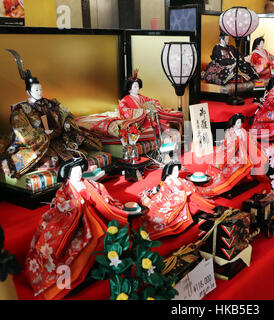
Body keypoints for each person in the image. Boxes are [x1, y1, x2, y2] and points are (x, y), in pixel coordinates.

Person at [24, 156, 131, 300]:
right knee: (92, 239)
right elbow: (60, 205)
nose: (79, 173)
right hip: (78, 223)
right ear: (68, 174)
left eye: (80, 170)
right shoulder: (64, 191)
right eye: (75, 171)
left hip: (96, 215)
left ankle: (105, 261)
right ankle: (82, 270)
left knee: (108, 233)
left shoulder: (89, 184)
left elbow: (101, 193)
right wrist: (76, 205)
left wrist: (103, 200)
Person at [1, 50, 102, 179]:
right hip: (38, 145)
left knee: (79, 152)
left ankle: (81, 174)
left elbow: (66, 114)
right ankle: (73, 175)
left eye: (41, 89)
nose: (39, 92)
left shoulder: (49, 103)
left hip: (57, 141)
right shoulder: (20, 110)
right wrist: (43, 134)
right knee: (52, 160)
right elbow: (24, 133)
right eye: (36, 90)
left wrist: (66, 124)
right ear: (28, 91)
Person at [75, 70, 183, 144]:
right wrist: (142, 112)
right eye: (134, 86)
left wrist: (154, 108)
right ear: (129, 88)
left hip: (146, 119)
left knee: (167, 125)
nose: (137, 88)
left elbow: (154, 102)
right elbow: (124, 110)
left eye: (137, 86)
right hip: (137, 122)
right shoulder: (125, 100)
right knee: (155, 129)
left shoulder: (142, 97)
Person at [198, 114, 268, 198]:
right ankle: (213, 185)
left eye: (240, 123)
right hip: (230, 152)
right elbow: (226, 144)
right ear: (233, 123)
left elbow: (249, 143)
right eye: (237, 122)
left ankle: (240, 180)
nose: (239, 124)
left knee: (240, 165)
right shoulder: (229, 132)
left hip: (241, 154)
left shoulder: (243, 131)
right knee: (222, 166)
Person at [140, 161, 214, 240]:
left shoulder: (178, 179)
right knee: (159, 215)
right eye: (175, 171)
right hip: (173, 202)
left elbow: (187, 184)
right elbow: (165, 195)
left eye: (177, 170)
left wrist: (188, 188)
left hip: (185, 199)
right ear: (169, 171)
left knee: (200, 203)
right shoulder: (167, 182)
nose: (177, 173)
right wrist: (182, 195)